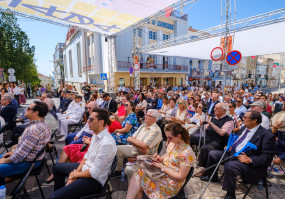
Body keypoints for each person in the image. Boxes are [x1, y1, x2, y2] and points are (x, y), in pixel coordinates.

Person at [201, 111, 275, 199]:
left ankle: (230, 195)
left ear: (254, 120)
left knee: (230, 165)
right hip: (233, 154)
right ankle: (212, 176)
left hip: (248, 162)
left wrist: (250, 159)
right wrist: (230, 146)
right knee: (213, 154)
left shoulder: (266, 135)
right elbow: (237, 141)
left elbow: (267, 157)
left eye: (245, 117)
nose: (242, 119)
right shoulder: (244, 128)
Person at [49, 108, 117, 199]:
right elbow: (86, 157)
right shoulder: (96, 135)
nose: (88, 121)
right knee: (57, 167)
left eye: (91, 119)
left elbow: (95, 172)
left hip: (94, 180)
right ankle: (63, 193)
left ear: (101, 122)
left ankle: (62, 194)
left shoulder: (106, 143)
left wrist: (75, 175)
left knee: (53, 197)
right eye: (88, 118)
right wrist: (77, 172)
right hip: (86, 170)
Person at [126, 122, 196, 199]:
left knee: (137, 181)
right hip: (163, 174)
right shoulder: (174, 143)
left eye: (170, 137)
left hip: (171, 183)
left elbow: (181, 176)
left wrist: (162, 168)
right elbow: (169, 154)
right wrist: (160, 158)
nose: (167, 140)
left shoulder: (187, 153)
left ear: (179, 136)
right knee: (137, 175)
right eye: (167, 137)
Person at [0, 101, 51, 185]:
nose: (25, 110)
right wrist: (13, 152)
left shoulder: (35, 130)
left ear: (35, 113)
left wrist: (5, 160)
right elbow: (24, 151)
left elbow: (19, 156)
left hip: (27, 162)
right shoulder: (42, 123)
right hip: (29, 159)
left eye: (28, 109)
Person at [112, 109, 162, 180]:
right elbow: (130, 138)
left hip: (146, 156)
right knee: (118, 149)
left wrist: (135, 142)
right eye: (146, 114)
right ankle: (118, 171)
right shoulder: (143, 126)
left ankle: (133, 188)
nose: (145, 116)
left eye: (148, 115)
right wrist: (138, 144)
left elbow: (144, 145)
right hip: (137, 150)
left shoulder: (156, 130)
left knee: (129, 169)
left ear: (154, 119)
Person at [190, 103, 234, 168]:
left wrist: (211, 123)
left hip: (219, 142)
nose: (215, 109)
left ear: (224, 111)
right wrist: (202, 123)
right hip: (208, 138)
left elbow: (221, 133)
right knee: (189, 137)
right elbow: (206, 128)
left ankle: (202, 168)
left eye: (217, 108)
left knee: (205, 148)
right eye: (215, 108)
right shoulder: (213, 117)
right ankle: (189, 157)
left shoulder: (229, 121)